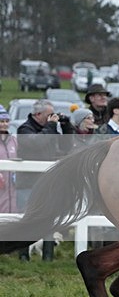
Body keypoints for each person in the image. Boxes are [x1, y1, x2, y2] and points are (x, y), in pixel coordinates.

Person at [16, 99, 75, 261]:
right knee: (27, 220)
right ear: (38, 114)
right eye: (50, 115)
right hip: (28, 183)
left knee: (49, 219)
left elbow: (66, 147)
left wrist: (66, 127)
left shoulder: (50, 129)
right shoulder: (24, 129)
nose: (52, 118)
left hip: (48, 182)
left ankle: (48, 257)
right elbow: (37, 143)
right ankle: (23, 256)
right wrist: (51, 126)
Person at [0, 105, 17, 214]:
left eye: (7, 121)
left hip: (11, 188)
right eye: (1, 121)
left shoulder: (14, 140)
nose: (5, 124)